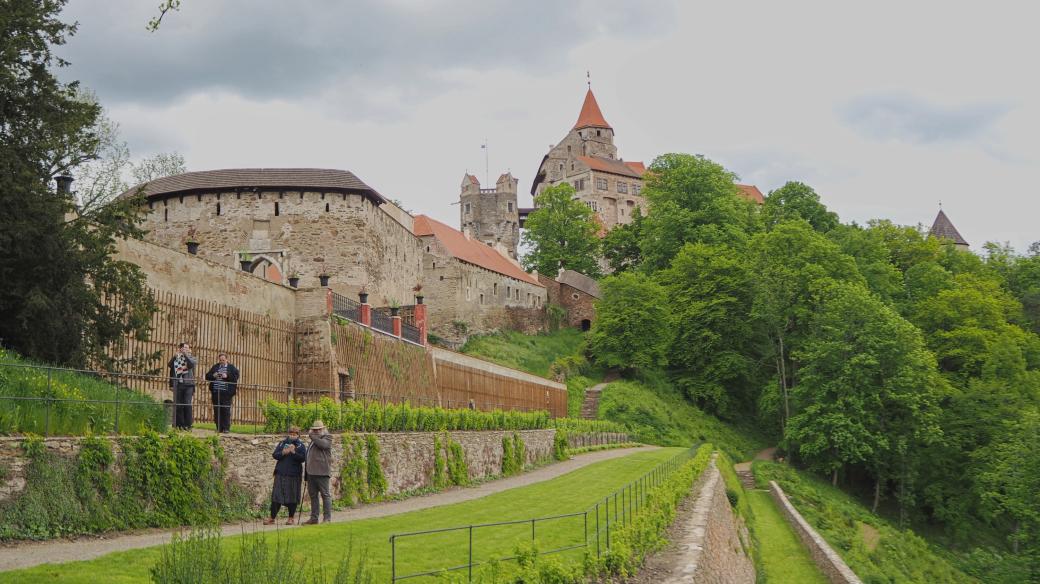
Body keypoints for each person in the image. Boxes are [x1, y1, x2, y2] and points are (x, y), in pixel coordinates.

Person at [265, 426, 307, 525]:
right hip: (280, 473)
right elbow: (275, 455)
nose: (292, 436)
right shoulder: (282, 443)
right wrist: (284, 452)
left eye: (294, 434)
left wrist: (293, 452)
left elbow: (303, 458)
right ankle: (272, 518)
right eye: (291, 434)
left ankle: (291, 518)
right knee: (276, 496)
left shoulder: (301, 446)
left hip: (293, 475)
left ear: (298, 435)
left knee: (292, 497)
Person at [303, 419, 333, 524]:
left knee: (325, 495)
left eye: (319, 429)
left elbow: (323, 445)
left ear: (323, 429)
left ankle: (327, 519)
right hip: (311, 473)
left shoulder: (327, 437)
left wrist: (312, 436)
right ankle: (314, 518)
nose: (316, 431)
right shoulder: (314, 440)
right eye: (315, 430)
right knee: (313, 496)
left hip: (322, 472)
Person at [204, 353, 240, 433]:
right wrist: (214, 375)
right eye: (220, 360)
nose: (222, 361)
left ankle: (226, 428)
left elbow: (236, 377)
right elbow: (207, 376)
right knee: (217, 410)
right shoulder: (215, 367)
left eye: (223, 360)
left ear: (227, 359)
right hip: (216, 392)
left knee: (226, 410)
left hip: (226, 393)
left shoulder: (231, 368)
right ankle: (219, 428)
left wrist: (227, 376)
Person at [167, 342, 197, 430]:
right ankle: (179, 425)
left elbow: (191, 364)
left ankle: (188, 425)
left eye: (187, 348)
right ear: (180, 349)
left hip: (189, 385)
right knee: (179, 405)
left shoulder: (192, 358)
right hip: (178, 384)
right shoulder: (177, 358)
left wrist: (185, 355)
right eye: (184, 348)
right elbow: (170, 366)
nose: (186, 349)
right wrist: (174, 357)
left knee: (187, 404)